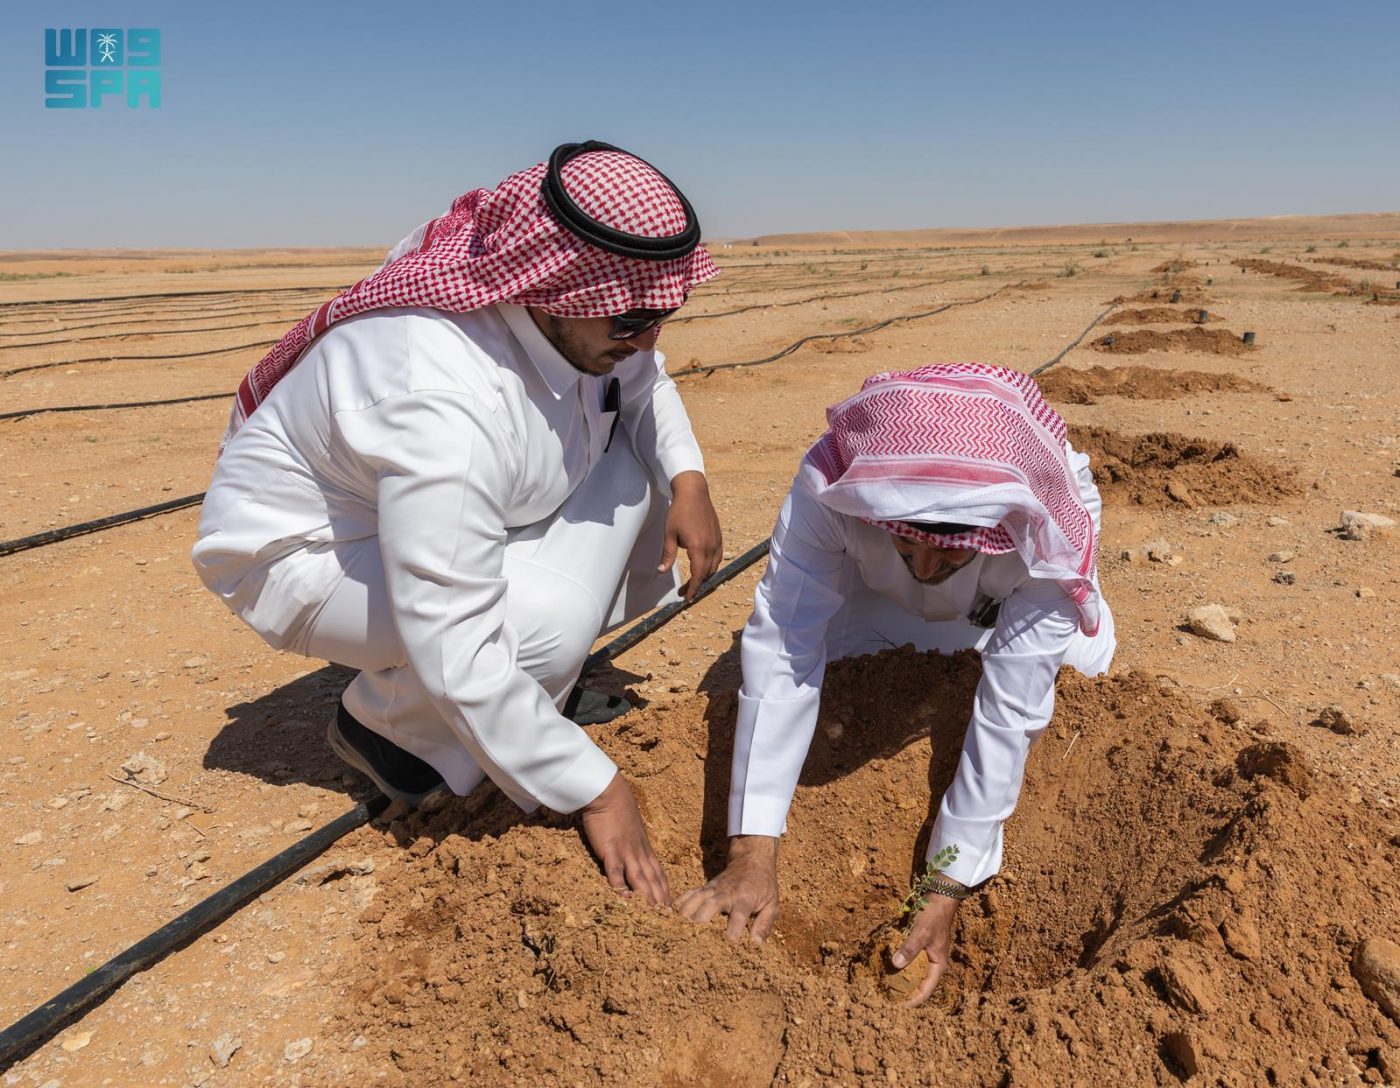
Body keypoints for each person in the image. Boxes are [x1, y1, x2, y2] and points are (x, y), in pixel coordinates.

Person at [192, 142, 723, 907]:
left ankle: (519, 706)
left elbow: (644, 381)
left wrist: (689, 479)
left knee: (640, 480)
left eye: (662, 315)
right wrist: (598, 789)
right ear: (557, 287)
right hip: (311, 554)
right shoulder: (443, 396)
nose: (648, 339)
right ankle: (395, 737)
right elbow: (456, 639)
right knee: (541, 626)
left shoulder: (580, 321)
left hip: (438, 511)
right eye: (634, 319)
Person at [677, 363, 1115, 1002]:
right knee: (846, 669)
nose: (928, 565)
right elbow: (784, 651)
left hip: (1001, 602)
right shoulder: (833, 486)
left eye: (951, 548)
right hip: (873, 596)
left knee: (1078, 670)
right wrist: (750, 855)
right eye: (911, 542)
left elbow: (1009, 710)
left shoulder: (1045, 517)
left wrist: (946, 882)